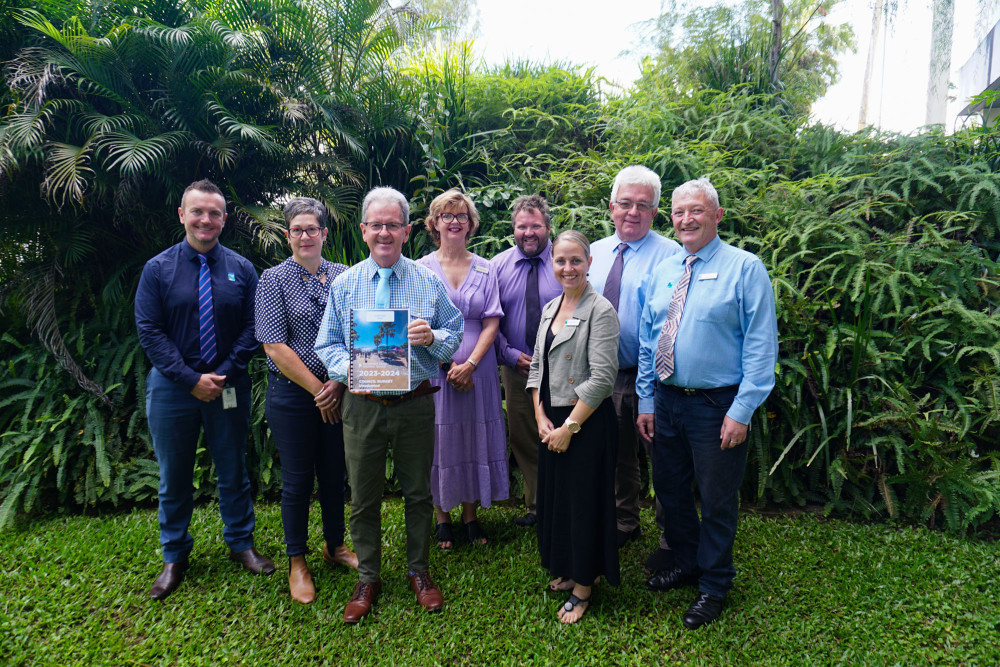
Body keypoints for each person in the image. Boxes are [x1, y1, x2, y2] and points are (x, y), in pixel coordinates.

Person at [314, 186, 463, 624]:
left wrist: (433, 338)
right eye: (376, 225)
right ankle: (370, 576)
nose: (384, 232)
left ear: (407, 230)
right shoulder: (345, 284)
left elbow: (454, 333)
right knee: (363, 496)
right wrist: (354, 369)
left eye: (392, 224)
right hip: (362, 406)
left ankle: (419, 571)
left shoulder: (426, 280)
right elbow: (328, 344)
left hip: (415, 404)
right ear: (363, 231)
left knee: (418, 492)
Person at [637, 177, 778, 629]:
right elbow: (647, 339)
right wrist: (645, 399)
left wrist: (742, 409)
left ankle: (714, 584)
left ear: (717, 216)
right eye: (678, 212)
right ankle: (687, 561)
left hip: (717, 405)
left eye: (696, 210)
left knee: (717, 500)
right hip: (666, 400)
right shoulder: (663, 269)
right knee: (671, 491)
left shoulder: (745, 268)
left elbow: (761, 346)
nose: (686, 219)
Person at [135, 179, 274, 601]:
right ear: (182, 215)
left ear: (224, 220)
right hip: (173, 388)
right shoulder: (157, 269)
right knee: (174, 476)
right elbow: (149, 330)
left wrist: (225, 373)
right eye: (197, 211)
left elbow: (255, 326)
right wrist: (190, 379)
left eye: (214, 213)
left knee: (233, 468)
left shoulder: (242, 268)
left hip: (228, 385)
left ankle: (241, 544)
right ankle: (174, 555)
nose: (206, 220)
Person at [254, 197, 359, 605]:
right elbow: (274, 345)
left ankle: (335, 545)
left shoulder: (345, 276)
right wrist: (321, 389)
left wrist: (338, 383)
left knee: (335, 475)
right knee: (298, 481)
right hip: (295, 398)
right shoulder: (273, 280)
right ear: (288, 235)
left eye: (311, 229)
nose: (304, 236)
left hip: (339, 391)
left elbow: (357, 333)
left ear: (324, 234)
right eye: (296, 229)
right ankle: (297, 560)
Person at [588, 165, 681, 564]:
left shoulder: (674, 257)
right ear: (611, 207)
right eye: (625, 203)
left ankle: (671, 541)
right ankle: (625, 521)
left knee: (664, 461)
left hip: (655, 381)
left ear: (655, 213)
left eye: (643, 205)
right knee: (616, 456)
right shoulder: (592, 253)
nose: (633, 212)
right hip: (603, 377)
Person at [527, 230, 620, 624]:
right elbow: (536, 367)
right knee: (559, 500)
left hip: (586, 423)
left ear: (589, 263)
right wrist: (539, 415)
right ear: (553, 264)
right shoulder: (551, 308)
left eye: (575, 261)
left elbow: (602, 378)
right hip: (552, 420)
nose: (568, 268)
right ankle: (567, 566)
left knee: (584, 504)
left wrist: (569, 427)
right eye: (560, 261)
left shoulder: (601, 310)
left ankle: (585, 586)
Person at [417, 189, 508, 548]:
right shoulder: (420, 269)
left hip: (479, 372)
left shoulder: (486, 268)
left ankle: (471, 516)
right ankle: (442, 519)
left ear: (470, 224)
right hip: (434, 368)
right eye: (446, 215)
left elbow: (491, 322)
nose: (454, 222)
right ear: (434, 223)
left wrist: (469, 364)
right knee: (440, 440)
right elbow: (418, 322)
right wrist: (448, 362)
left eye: (462, 216)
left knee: (474, 437)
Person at [491, 194, 562, 528]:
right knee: (523, 435)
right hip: (517, 369)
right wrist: (506, 354)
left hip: (563, 368)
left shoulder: (564, 262)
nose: (529, 232)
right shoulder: (497, 267)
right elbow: (490, 318)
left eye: (536, 225)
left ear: (548, 227)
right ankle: (538, 506)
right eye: (522, 226)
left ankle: (564, 502)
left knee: (561, 433)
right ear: (514, 229)